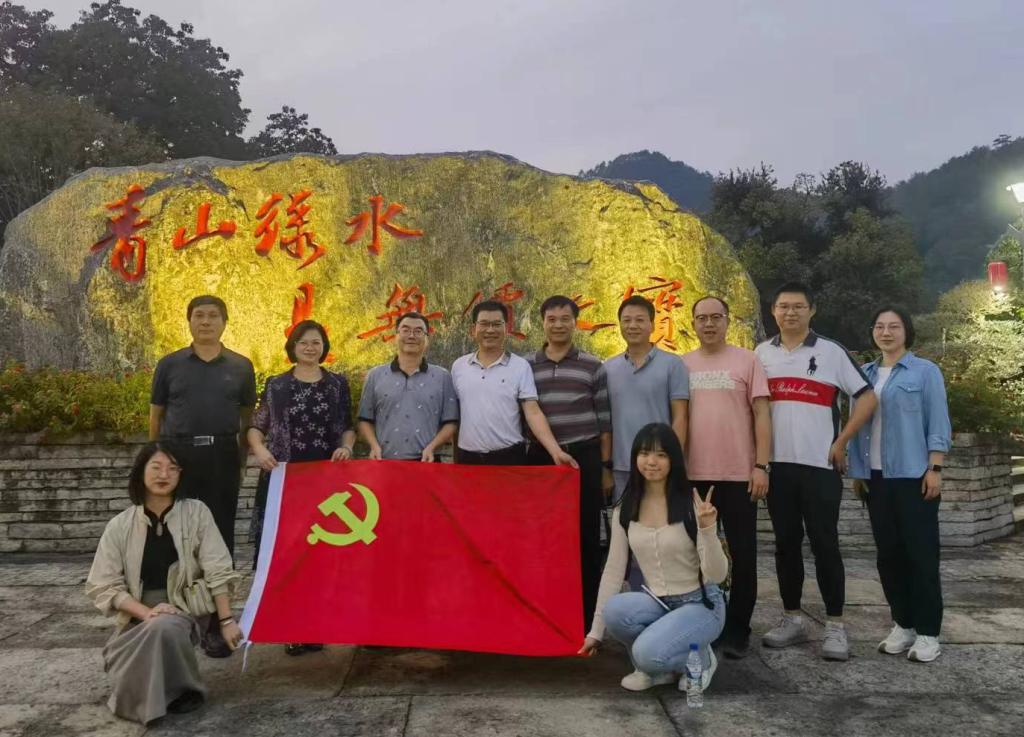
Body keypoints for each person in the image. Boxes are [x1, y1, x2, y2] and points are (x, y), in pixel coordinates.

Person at [754, 282, 877, 661]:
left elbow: (867, 397)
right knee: (785, 544)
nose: (790, 312)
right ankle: (792, 618)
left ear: (812, 310)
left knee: (825, 544)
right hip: (778, 468)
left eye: (798, 306)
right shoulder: (761, 354)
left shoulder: (831, 352)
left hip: (820, 467)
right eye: (783, 306)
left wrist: (842, 441)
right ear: (773, 311)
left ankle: (835, 625)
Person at [85, 443, 241, 725]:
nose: (163, 474)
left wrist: (226, 620)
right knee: (153, 629)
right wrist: (147, 613)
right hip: (137, 614)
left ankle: (174, 693)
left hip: (185, 609)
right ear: (141, 472)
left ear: (181, 474)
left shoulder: (197, 513)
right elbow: (103, 584)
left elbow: (218, 568)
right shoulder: (119, 525)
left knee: (164, 626)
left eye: (172, 468)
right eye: (156, 467)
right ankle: (172, 688)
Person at [578, 423, 727, 692]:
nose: (651, 462)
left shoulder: (692, 504)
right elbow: (613, 570)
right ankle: (660, 665)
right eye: (644, 453)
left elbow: (717, 575)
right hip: (659, 602)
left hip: (702, 605)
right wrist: (595, 633)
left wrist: (708, 530)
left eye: (661, 455)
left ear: (673, 460)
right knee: (615, 611)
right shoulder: (626, 508)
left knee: (647, 654)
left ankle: (700, 660)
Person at [847, 306, 951, 663]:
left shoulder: (925, 372)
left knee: (921, 555)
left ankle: (928, 633)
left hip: (914, 476)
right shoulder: (864, 374)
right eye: (879, 326)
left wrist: (935, 467)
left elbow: (938, 421)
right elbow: (856, 425)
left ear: (906, 331)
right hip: (876, 479)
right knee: (888, 556)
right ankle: (903, 624)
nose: (886, 332)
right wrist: (858, 472)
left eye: (894, 326)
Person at [247, 319, 355, 656]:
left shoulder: (337, 385)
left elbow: (346, 427)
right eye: (304, 342)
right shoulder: (276, 385)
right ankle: (291, 627)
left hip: (325, 484)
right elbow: (256, 427)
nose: (310, 347)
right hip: (285, 481)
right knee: (288, 553)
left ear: (324, 347)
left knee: (319, 554)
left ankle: (317, 624)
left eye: (316, 342)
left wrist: (347, 447)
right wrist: (260, 450)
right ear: (293, 346)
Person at [682, 295, 772, 659]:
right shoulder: (682, 364)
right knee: (696, 556)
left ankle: (737, 630)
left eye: (715, 317)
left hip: (738, 474)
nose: (708, 324)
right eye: (701, 318)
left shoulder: (747, 360)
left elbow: (762, 414)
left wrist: (761, 465)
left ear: (727, 320)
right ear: (692, 323)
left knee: (742, 553)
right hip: (693, 476)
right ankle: (704, 624)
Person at [525, 295, 614, 629]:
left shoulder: (593, 365)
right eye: (552, 319)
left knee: (586, 536)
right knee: (542, 537)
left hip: (584, 458)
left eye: (565, 319)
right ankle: (546, 609)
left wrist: (605, 467)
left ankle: (587, 616)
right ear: (542, 323)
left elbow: (605, 421)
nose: (558, 325)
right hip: (539, 460)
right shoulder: (526, 365)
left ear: (576, 323)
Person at [149, 295, 256, 557]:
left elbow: (246, 419)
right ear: (189, 321)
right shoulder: (169, 364)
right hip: (178, 454)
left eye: (213, 316)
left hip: (222, 455)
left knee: (221, 523)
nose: (205, 322)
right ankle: (176, 578)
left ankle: (220, 579)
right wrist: (155, 457)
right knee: (175, 520)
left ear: (225, 322)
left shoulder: (241, 366)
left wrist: (241, 460)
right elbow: (156, 416)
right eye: (199, 315)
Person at [450, 299, 577, 468]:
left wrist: (555, 451)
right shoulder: (459, 366)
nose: (490, 330)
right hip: (468, 458)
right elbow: (455, 416)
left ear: (506, 328)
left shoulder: (520, 366)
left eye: (497, 324)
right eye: (484, 324)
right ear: (473, 329)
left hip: (509, 457)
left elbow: (533, 413)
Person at [604, 295, 689, 503]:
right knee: (625, 521)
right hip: (622, 466)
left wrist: (673, 460)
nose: (632, 325)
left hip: (660, 465)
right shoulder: (608, 368)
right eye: (627, 320)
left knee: (661, 520)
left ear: (652, 325)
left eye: (640, 320)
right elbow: (605, 423)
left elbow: (680, 417)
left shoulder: (672, 364)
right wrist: (605, 467)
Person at [358, 312, 459, 461]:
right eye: (405, 330)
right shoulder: (375, 375)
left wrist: (432, 447)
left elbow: (451, 422)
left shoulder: (443, 377)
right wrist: (374, 446)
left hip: (427, 462)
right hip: (383, 461)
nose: (411, 336)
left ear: (427, 338)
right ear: (396, 336)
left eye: (418, 331)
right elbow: (364, 419)